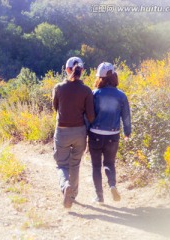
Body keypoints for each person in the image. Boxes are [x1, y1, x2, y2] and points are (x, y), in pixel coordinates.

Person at [52, 57, 95, 208]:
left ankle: (65, 186)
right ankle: (73, 194)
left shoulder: (58, 88)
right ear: (82, 71)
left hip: (62, 131)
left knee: (61, 164)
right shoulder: (86, 90)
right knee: (75, 164)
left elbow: (55, 108)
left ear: (66, 69)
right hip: (79, 132)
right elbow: (91, 116)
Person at [89, 62, 131, 205]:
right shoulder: (121, 95)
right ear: (114, 76)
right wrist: (127, 132)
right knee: (109, 163)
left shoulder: (94, 93)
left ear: (100, 78)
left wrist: (85, 131)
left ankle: (99, 197)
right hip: (113, 135)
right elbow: (126, 116)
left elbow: (88, 115)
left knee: (95, 166)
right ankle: (112, 185)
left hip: (95, 134)